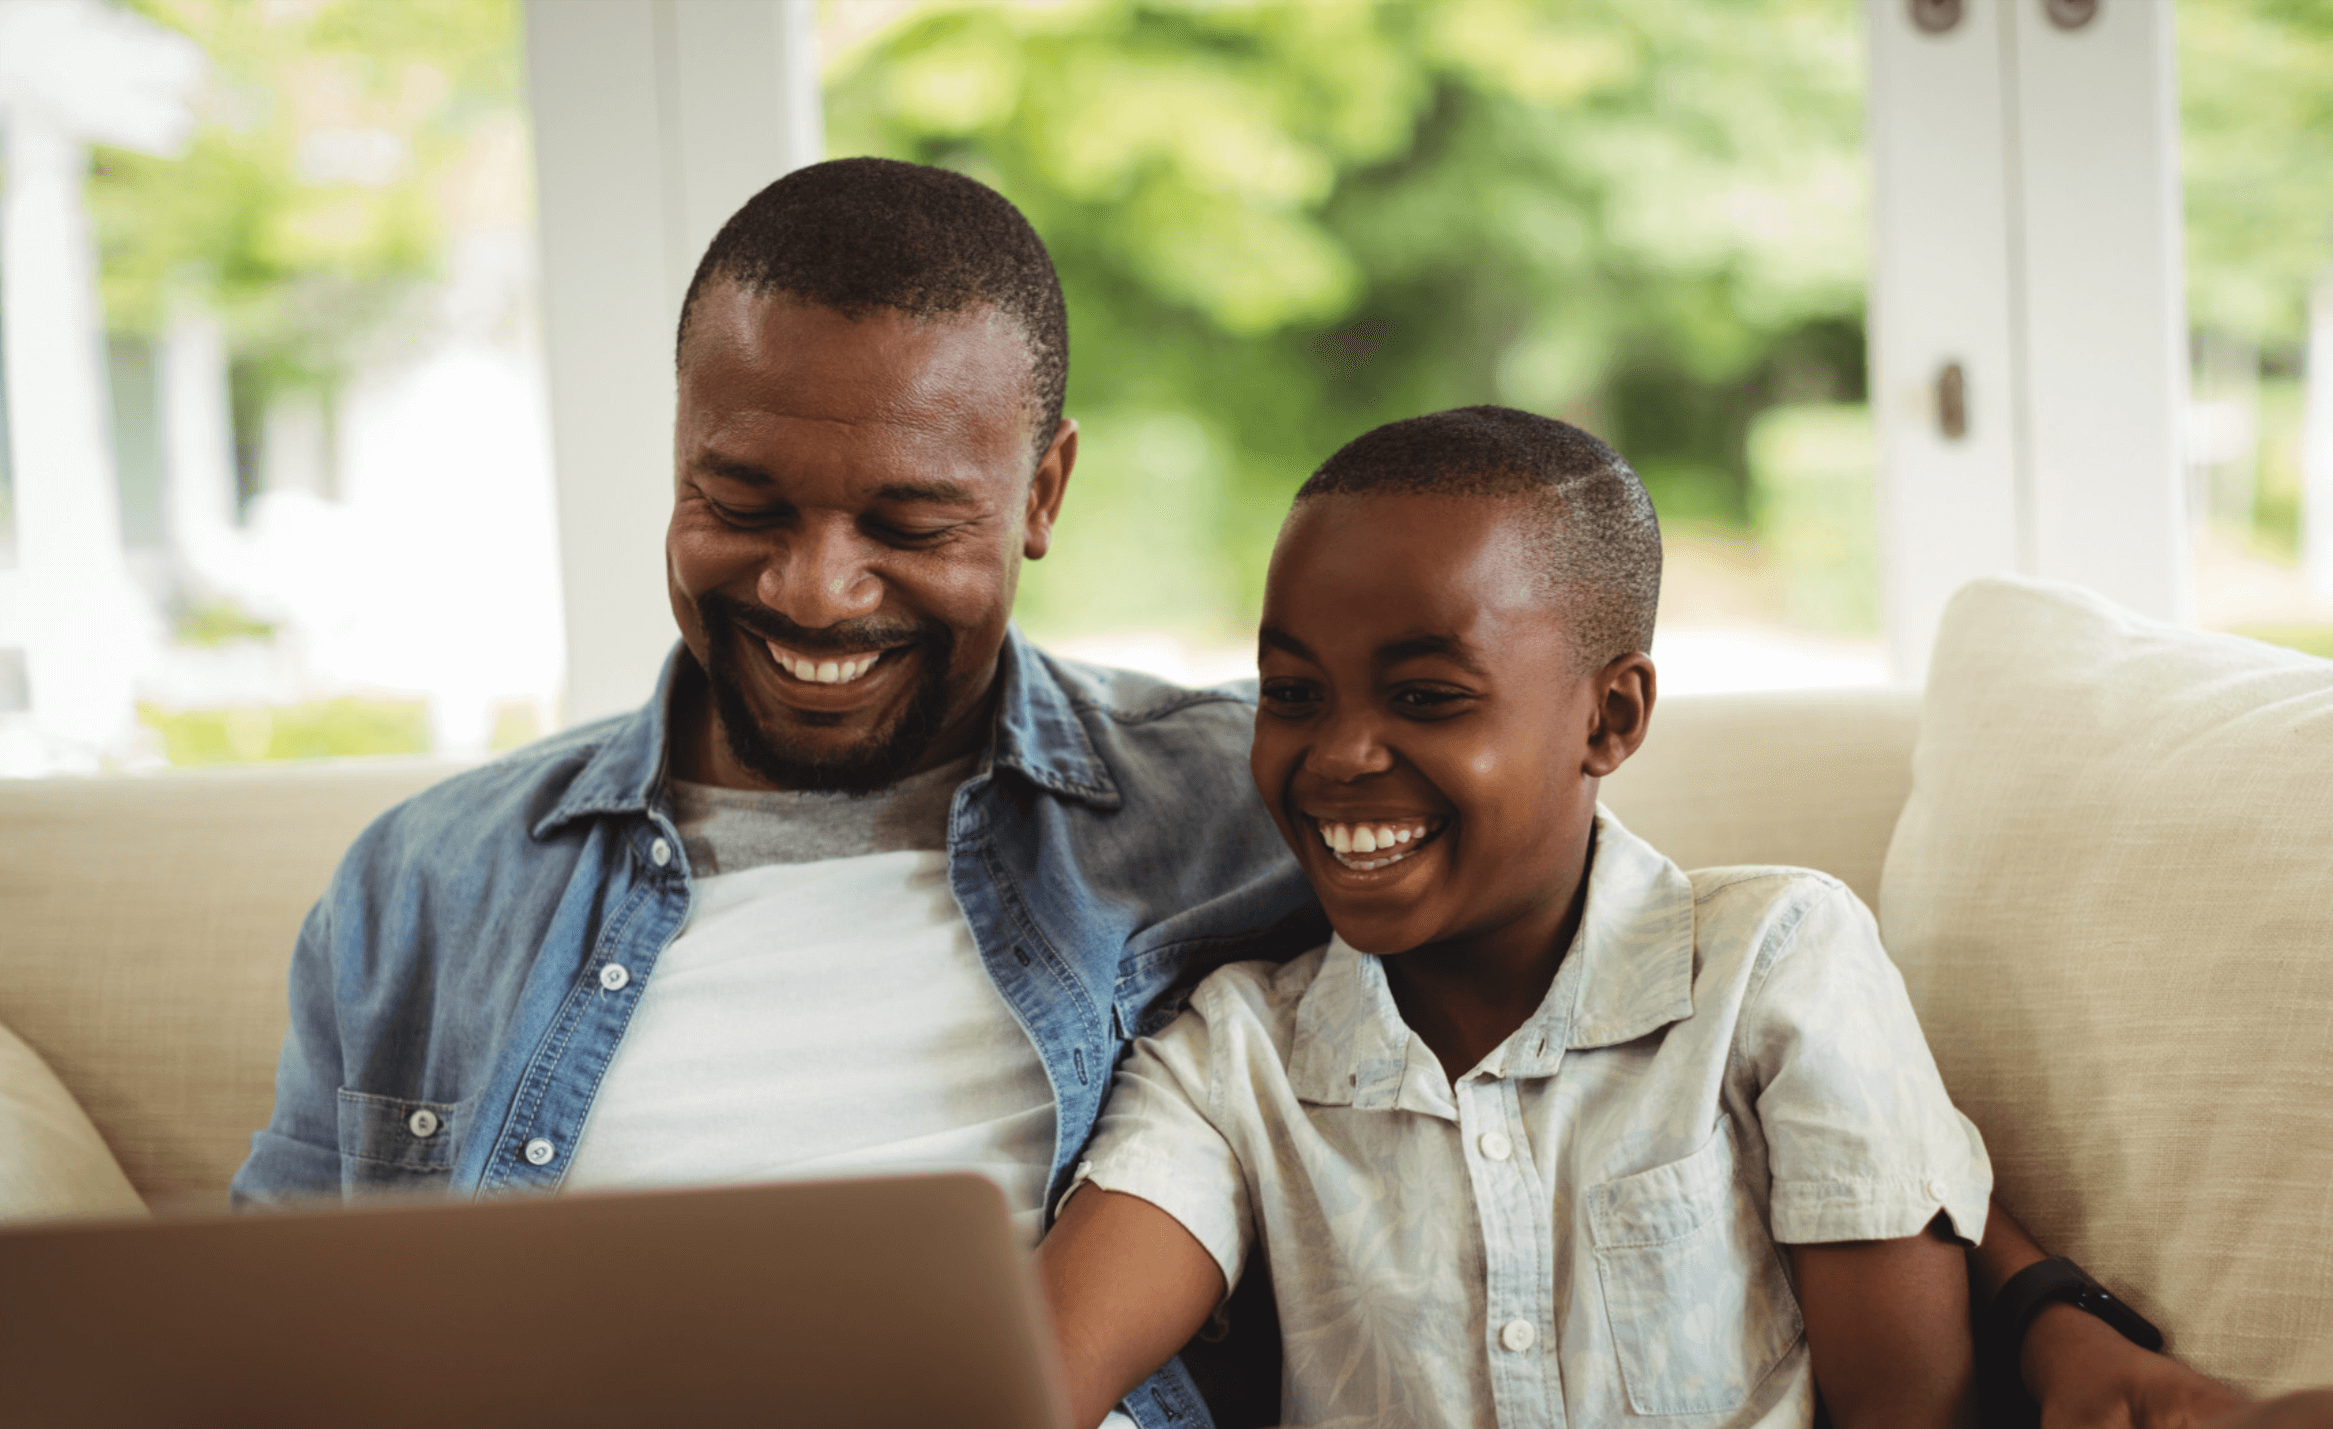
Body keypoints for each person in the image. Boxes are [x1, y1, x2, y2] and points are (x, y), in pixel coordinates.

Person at [231, 158, 2312, 1429]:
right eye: (740, 502)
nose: (812, 590)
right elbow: (253, 1333)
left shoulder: (1227, 807)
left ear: (1041, 494)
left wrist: (2045, 1318)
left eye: (908, 520)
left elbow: (1666, 998)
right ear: (673, 455)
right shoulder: (426, 885)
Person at [1037, 406, 2333, 1429]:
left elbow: (1907, 1410)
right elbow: (1037, 1381)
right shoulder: (1233, 1057)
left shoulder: (1775, 964)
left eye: (1427, 698)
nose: (1340, 757)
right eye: (1293, 693)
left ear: (1611, 719)